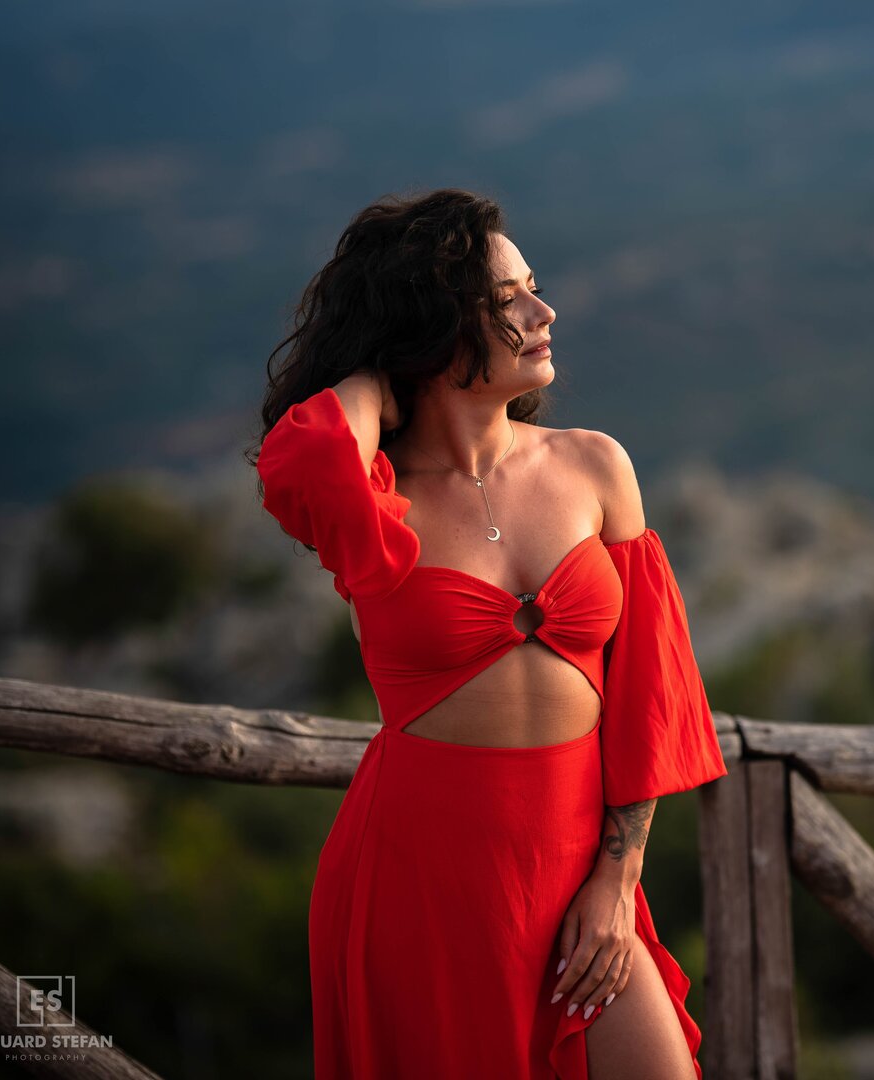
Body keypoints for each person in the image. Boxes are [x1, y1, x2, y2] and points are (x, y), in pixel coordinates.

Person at [251, 189, 728, 1079]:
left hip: (580, 868)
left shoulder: (593, 466)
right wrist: (376, 378)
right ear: (431, 326)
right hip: (420, 881)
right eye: (505, 301)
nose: (543, 314)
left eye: (533, 289)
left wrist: (616, 886)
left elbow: (651, 694)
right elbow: (302, 454)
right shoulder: (375, 497)